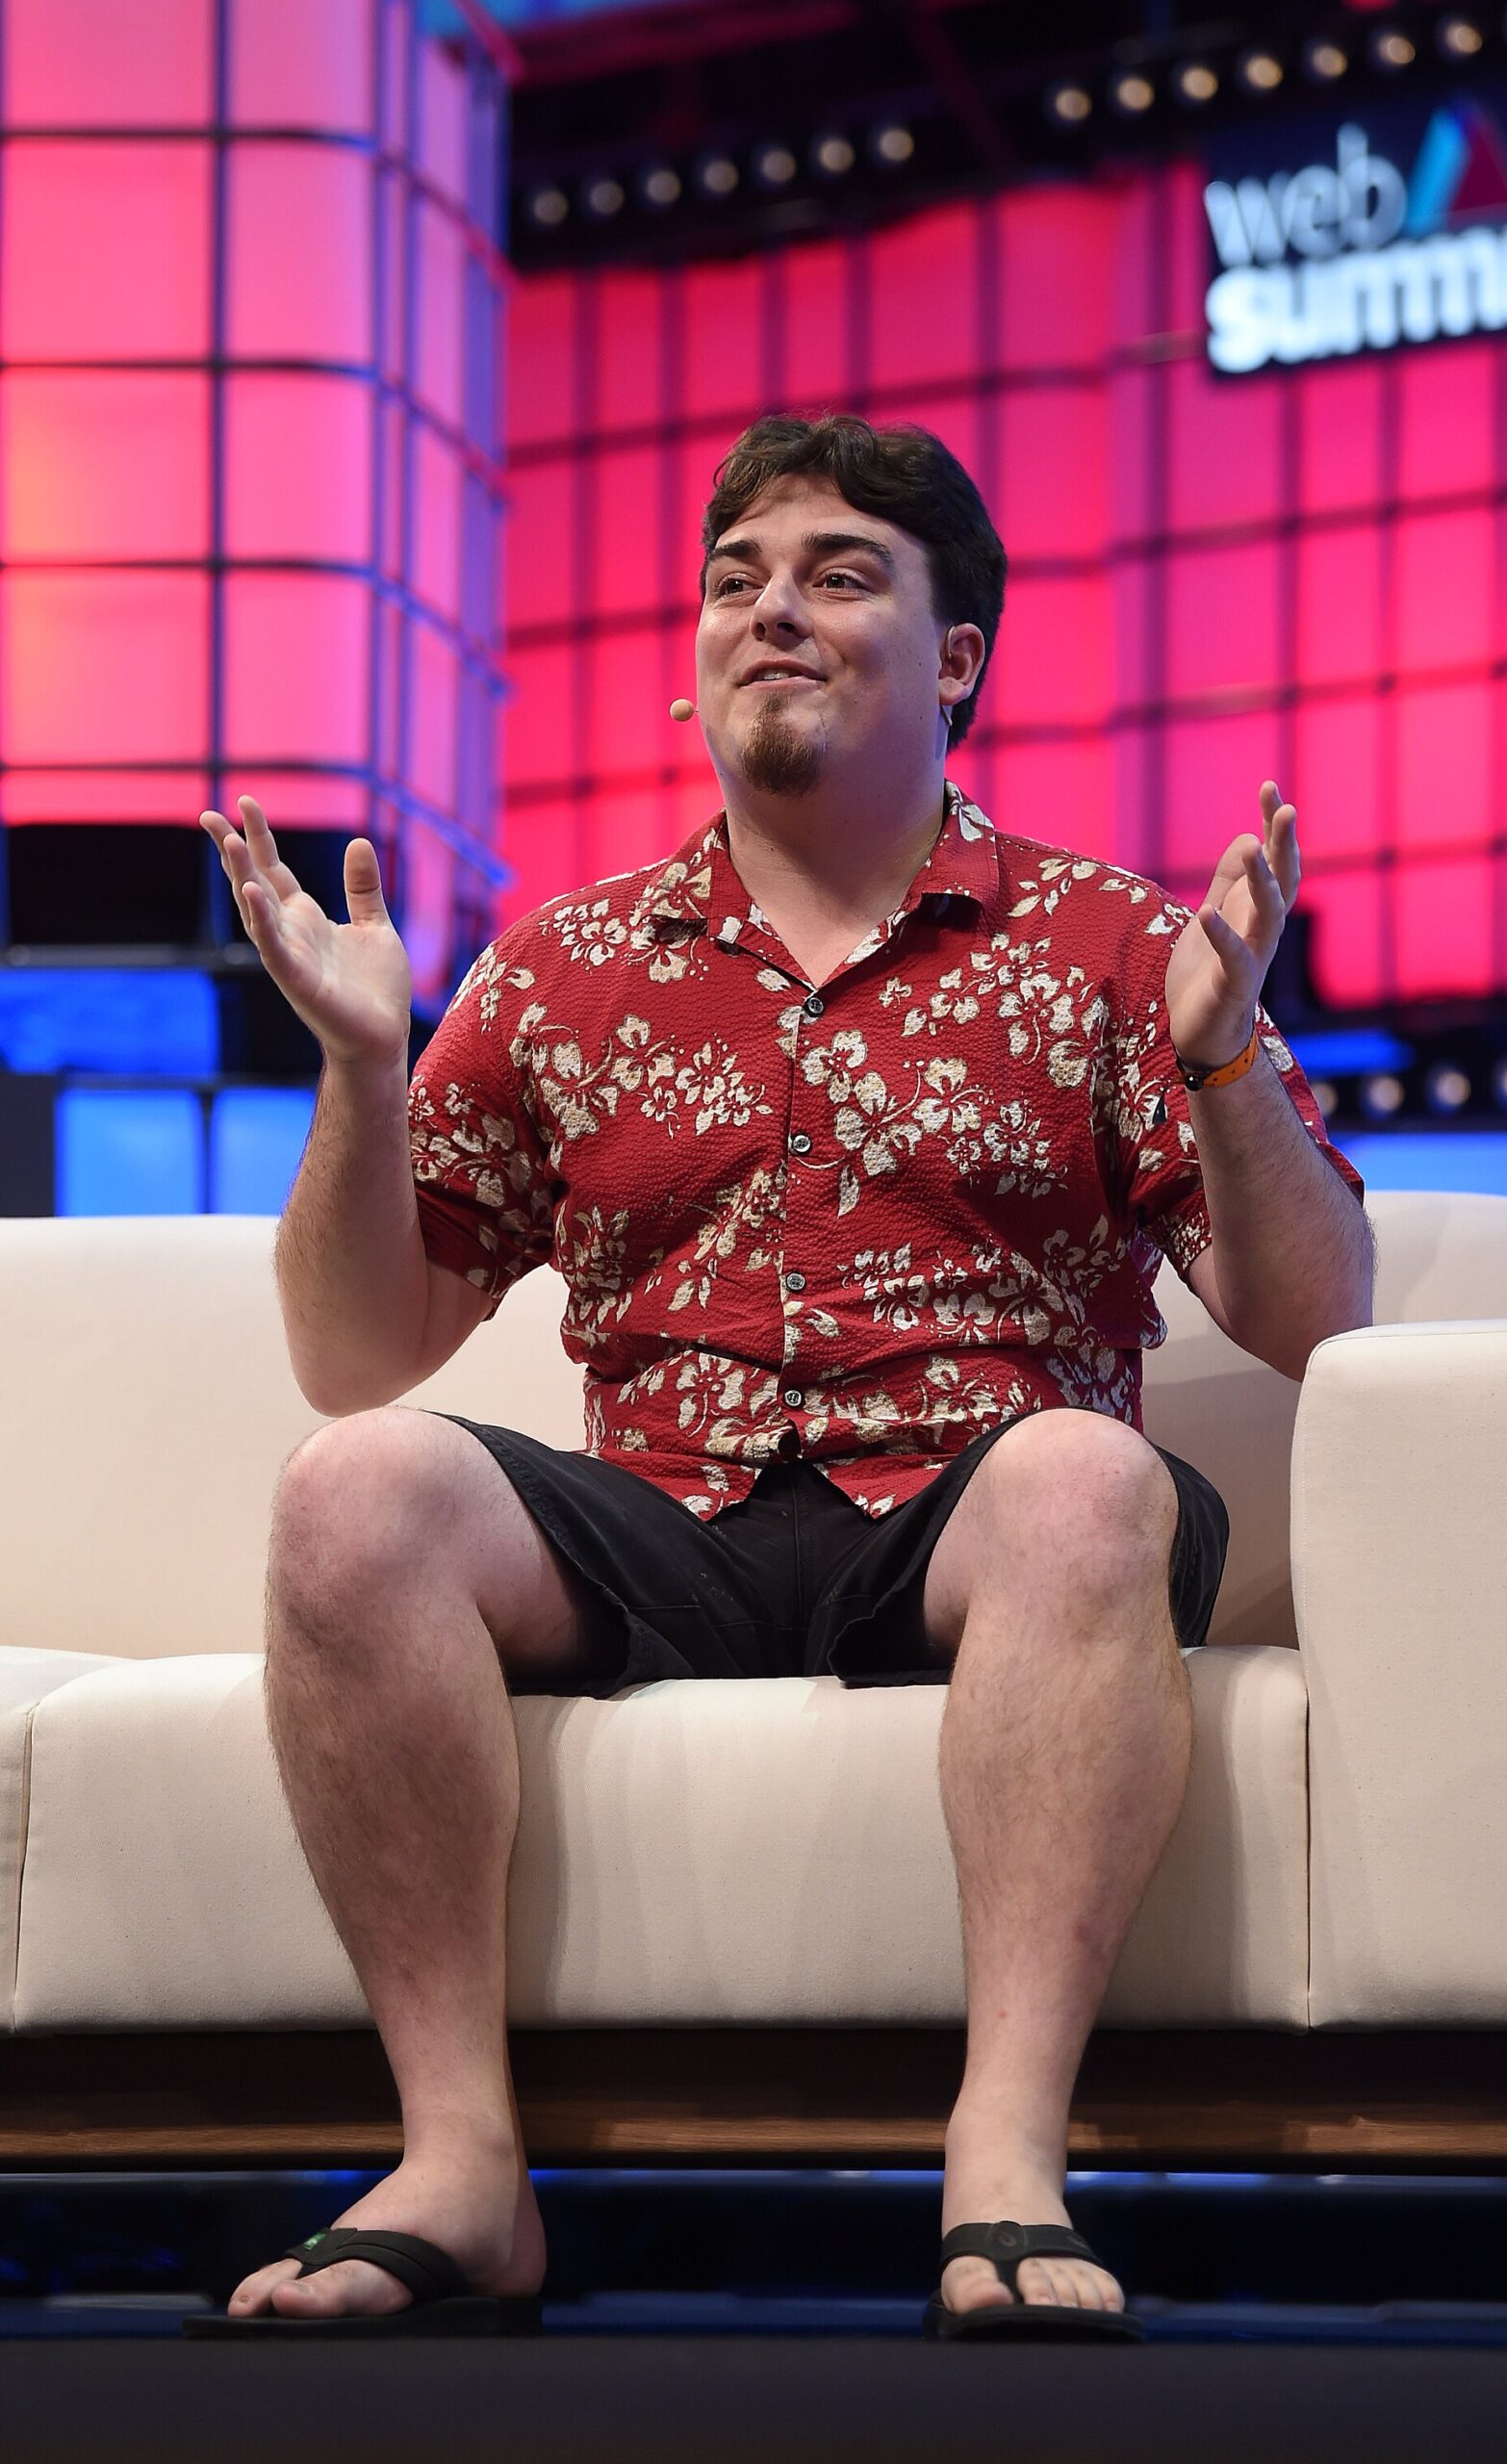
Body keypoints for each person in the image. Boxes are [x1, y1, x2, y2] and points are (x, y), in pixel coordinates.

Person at [194, 412, 1372, 2341]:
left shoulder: (1107, 945)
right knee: (354, 1491)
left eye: (838, 574)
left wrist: (1231, 1066)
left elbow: (1319, 1314)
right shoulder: (561, 966)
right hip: (664, 1515)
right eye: (737, 578)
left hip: (977, 1516)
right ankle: (464, 2164)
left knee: (1086, 1477)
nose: (773, 611)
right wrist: (361, 1072)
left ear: (957, 657)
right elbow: (354, 1352)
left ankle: (1002, 2159)